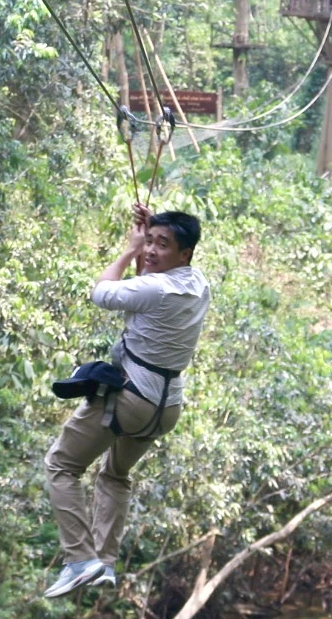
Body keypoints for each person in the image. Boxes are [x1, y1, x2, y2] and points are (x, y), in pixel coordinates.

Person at [42, 204, 211, 598]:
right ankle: (105, 564)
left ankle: (81, 560)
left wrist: (129, 250)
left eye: (162, 245)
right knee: (114, 476)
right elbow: (144, 293)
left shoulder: (156, 287)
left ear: (184, 254)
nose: (151, 250)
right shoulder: (198, 283)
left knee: (62, 465)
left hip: (131, 399)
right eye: (150, 242)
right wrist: (147, 244)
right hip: (164, 408)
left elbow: (102, 293)